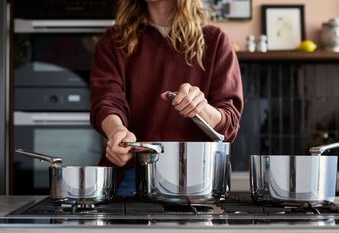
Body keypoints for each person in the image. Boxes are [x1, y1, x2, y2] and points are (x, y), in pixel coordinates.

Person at [89, 0, 243, 196]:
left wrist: (201, 108)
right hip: (131, 172)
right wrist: (116, 131)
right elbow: (106, 101)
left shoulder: (215, 40)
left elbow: (229, 124)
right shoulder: (113, 41)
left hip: (195, 177)